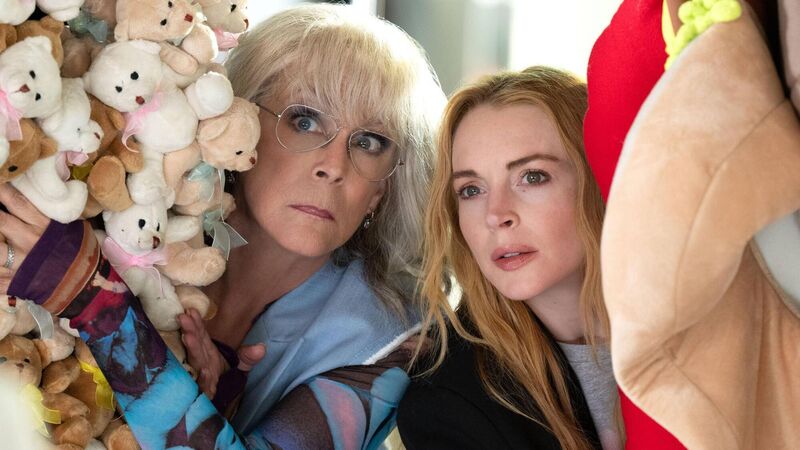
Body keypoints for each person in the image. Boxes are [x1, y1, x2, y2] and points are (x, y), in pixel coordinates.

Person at [0, 4, 445, 449]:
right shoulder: (119, 200)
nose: (334, 166)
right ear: (236, 119)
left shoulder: (392, 337)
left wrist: (93, 299)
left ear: (382, 188)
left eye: (368, 142)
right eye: (305, 120)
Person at [397, 66, 622, 450]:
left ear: (599, 175)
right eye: (471, 189)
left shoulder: (707, 324)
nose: (496, 215)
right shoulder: (447, 405)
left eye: (532, 176)